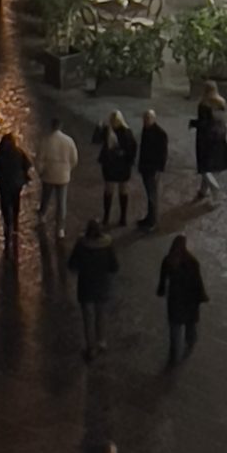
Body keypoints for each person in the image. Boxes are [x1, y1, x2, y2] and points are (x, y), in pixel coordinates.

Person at [67, 219, 119, 361]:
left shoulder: (81, 246)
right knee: (101, 314)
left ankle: (91, 347)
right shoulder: (107, 246)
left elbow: (72, 264)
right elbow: (114, 266)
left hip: (86, 287)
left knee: (88, 318)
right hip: (102, 286)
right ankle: (101, 341)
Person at [157, 234, 209, 365]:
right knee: (190, 323)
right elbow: (198, 282)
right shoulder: (192, 262)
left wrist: (161, 290)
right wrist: (201, 296)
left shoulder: (168, 261)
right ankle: (190, 341)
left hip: (175, 300)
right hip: (189, 300)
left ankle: (174, 354)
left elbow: (163, 280)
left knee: (175, 328)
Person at [0, 131, 32, 253]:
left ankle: (8, 225)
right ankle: (15, 221)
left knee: (5, 203)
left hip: (4, 185)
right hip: (16, 184)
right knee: (15, 201)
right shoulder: (18, 152)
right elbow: (28, 165)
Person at [38, 116, 79, 240]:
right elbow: (74, 159)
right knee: (61, 203)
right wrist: (68, 169)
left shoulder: (46, 140)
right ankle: (60, 228)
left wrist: (41, 172)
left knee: (45, 197)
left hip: (49, 174)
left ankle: (42, 215)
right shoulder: (69, 141)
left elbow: (40, 159)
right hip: (63, 175)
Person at [190, 81, 227, 201]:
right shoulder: (221, 102)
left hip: (205, 137)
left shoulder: (204, 104)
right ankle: (203, 190)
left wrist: (193, 123)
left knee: (204, 166)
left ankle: (214, 188)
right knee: (209, 164)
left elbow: (204, 122)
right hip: (219, 135)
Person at [94, 111, 137, 228]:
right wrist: (98, 128)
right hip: (115, 165)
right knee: (113, 190)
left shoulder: (124, 132)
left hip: (117, 165)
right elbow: (96, 140)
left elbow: (131, 149)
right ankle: (112, 217)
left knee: (118, 190)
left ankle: (119, 217)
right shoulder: (114, 130)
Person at [137, 109, 168, 231]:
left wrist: (159, 169)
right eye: (144, 119)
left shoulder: (160, 134)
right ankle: (149, 218)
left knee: (152, 195)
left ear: (154, 119)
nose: (145, 121)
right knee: (149, 194)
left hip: (153, 169)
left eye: (148, 119)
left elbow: (163, 154)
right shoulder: (146, 130)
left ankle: (152, 221)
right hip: (145, 167)